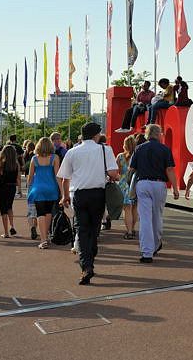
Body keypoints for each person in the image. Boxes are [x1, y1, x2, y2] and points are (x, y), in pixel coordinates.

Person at [57, 122, 120, 285]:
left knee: (82, 228)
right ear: (96, 135)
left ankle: (86, 265)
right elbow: (113, 173)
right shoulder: (105, 150)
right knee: (94, 227)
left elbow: (65, 178)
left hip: (79, 194)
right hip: (98, 193)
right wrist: (115, 177)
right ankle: (91, 255)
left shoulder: (72, 152)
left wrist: (65, 196)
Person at [129, 123, 179, 263]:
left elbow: (131, 169)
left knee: (145, 218)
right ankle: (156, 244)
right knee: (157, 216)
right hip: (159, 184)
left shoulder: (139, 148)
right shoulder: (164, 149)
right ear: (158, 134)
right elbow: (169, 169)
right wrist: (175, 188)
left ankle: (147, 252)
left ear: (147, 134)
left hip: (143, 183)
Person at [28, 137, 63, 249]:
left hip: (38, 188)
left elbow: (30, 177)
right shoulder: (55, 158)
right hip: (51, 188)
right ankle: (46, 236)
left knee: (40, 213)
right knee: (49, 212)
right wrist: (62, 191)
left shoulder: (34, 159)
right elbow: (58, 176)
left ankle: (43, 240)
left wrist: (29, 189)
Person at [0, 145, 21, 238]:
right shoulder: (16, 164)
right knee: (9, 207)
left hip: (3, 187)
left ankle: (6, 232)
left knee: (3, 209)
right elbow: (18, 179)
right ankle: (12, 226)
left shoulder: (2, 163)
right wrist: (20, 190)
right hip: (12, 187)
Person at [116, 134, 138, 240]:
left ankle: (129, 231)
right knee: (134, 208)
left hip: (124, 184)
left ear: (125, 145)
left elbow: (118, 172)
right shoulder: (137, 156)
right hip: (134, 184)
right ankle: (133, 229)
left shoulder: (120, 156)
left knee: (127, 209)